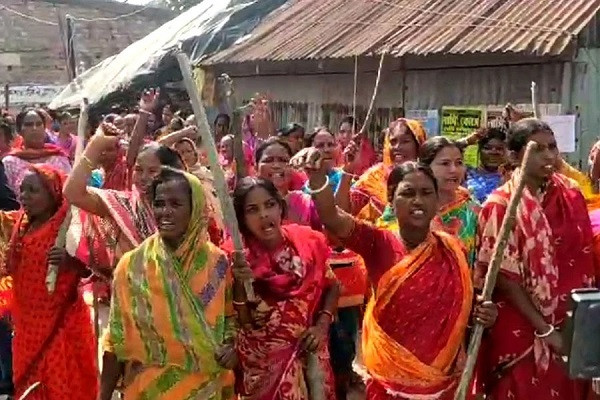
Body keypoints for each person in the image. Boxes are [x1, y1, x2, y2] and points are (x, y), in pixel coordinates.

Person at [292, 149, 496, 399]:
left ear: (436, 199)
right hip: (389, 385)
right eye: (408, 193)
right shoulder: (378, 243)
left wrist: (482, 312)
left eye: (426, 193)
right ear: (391, 199)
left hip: (444, 385)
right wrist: (315, 178)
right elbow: (332, 218)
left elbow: (463, 304)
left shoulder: (452, 249)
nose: (418, 201)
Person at [477, 118, 598, 399]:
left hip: (571, 319)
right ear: (514, 155)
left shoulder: (571, 194)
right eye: (538, 149)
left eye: (552, 147)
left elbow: (582, 258)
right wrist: (544, 330)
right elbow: (505, 278)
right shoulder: (501, 205)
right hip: (520, 323)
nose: (548, 156)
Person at [99, 168, 235, 400]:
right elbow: (116, 340)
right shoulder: (132, 266)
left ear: (195, 208)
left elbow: (230, 319)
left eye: (176, 204)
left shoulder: (217, 263)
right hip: (149, 390)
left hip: (207, 388)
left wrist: (232, 347)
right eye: (159, 204)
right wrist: (103, 396)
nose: (165, 212)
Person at [228, 177, 339, 400]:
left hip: (311, 355)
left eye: (270, 205)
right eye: (252, 210)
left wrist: (321, 326)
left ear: (280, 207)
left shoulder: (306, 242)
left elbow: (333, 285)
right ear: (241, 218)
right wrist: (239, 281)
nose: (264, 215)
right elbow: (244, 321)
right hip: (263, 365)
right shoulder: (235, 258)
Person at [0, 165, 97, 400]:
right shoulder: (17, 224)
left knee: (60, 385)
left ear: (53, 194)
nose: (24, 197)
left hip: (60, 326)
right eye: (22, 190)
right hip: (27, 327)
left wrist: (71, 260)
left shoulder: (69, 227)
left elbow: (94, 265)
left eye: (33, 191)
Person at [347, 118, 426, 221]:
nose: (397, 147)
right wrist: (348, 168)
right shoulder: (374, 177)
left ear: (418, 145)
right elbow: (345, 210)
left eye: (405, 141)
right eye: (393, 141)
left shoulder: (429, 178)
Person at [418, 137, 480, 265]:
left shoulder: (473, 209)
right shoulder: (411, 207)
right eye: (445, 163)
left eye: (459, 163)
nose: (454, 170)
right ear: (425, 168)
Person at [3, 108, 71, 193]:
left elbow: (70, 191)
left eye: (39, 124)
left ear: (44, 128)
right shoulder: (10, 163)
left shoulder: (60, 158)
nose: (35, 128)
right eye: (29, 125)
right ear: (19, 131)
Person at [465, 128, 507, 203]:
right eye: (487, 148)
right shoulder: (465, 174)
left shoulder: (510, 178)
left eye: (499, 149)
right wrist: (466, 142)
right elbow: (441, 152)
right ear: (479, 151)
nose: (493, 152)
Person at [302, 127, 344, 195]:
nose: (327, 150)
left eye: (330, 145)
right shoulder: (302, 182)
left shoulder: (344, 178)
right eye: (320, 146)